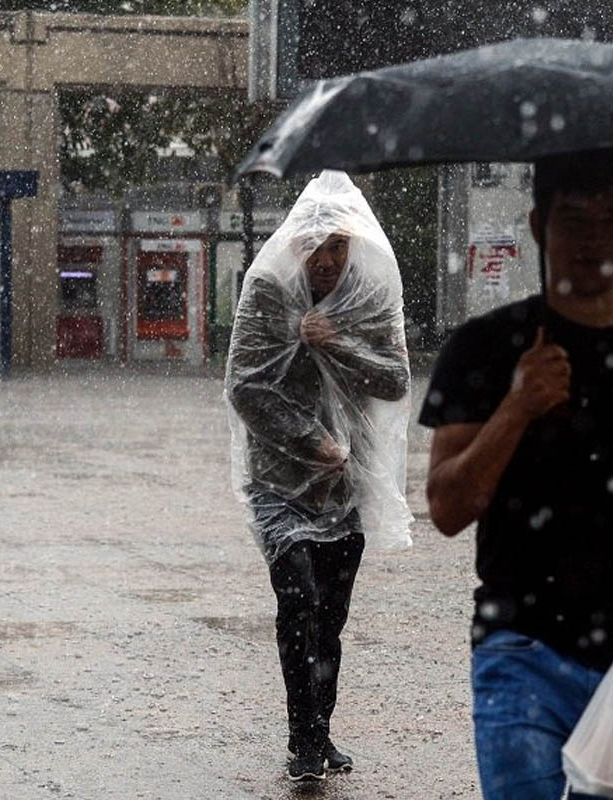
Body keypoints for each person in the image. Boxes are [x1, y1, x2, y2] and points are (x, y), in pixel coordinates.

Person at [418, 149, 613, 800]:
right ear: (538, 225)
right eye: (573, 218)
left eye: (612, 218)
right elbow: (448, 507)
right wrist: (518, 403)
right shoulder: (482, 348)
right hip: (519, 650)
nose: (593, 239)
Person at [225, 171, 412, 783]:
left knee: (330, 616)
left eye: (339, 246)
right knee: (298, 598)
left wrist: (336, 345)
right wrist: (312, 442)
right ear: (297, 243)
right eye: (317, 245)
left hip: (347, 484)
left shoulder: (366, 295)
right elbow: (246, 386)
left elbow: (394, 379)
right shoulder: (268, 292)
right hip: (280, 481)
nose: (328, 259)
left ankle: (320, 731)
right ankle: (301, 741)